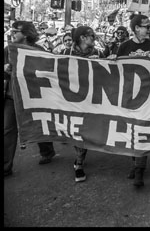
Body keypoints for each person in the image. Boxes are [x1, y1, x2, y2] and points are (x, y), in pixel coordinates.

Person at [4, 21, 56, 177]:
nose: (11, 33)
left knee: (39, 125)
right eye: (11, 31)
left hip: (34, 96)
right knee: (7, 130)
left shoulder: (38, 51)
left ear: (26, 34)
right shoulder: (8, 50)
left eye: (15, 31)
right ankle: (6, 166)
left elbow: (51, 69)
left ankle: (47, 151)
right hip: (12, 96)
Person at [116, 14, 150, 187]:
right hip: (129, 96)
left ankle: (139, 170)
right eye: (146, 26)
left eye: (149, 26)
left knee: (143, 131)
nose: (149, 29)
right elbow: (116, 71)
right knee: (131, 131)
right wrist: (113, 60)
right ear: (136, 28)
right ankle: (135, 162)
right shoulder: (124, 46)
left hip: (148, 96)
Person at [62, 26, 105, 183]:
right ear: (82, 38)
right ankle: (79, 163)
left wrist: (102, 63)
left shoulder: (99, 53)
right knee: (77, 130)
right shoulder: (65, 53)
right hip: (71, 100)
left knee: (86, 130)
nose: (94, 38)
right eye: (91, 36)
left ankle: (79, 160)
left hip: (92, 99)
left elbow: (110, 74)